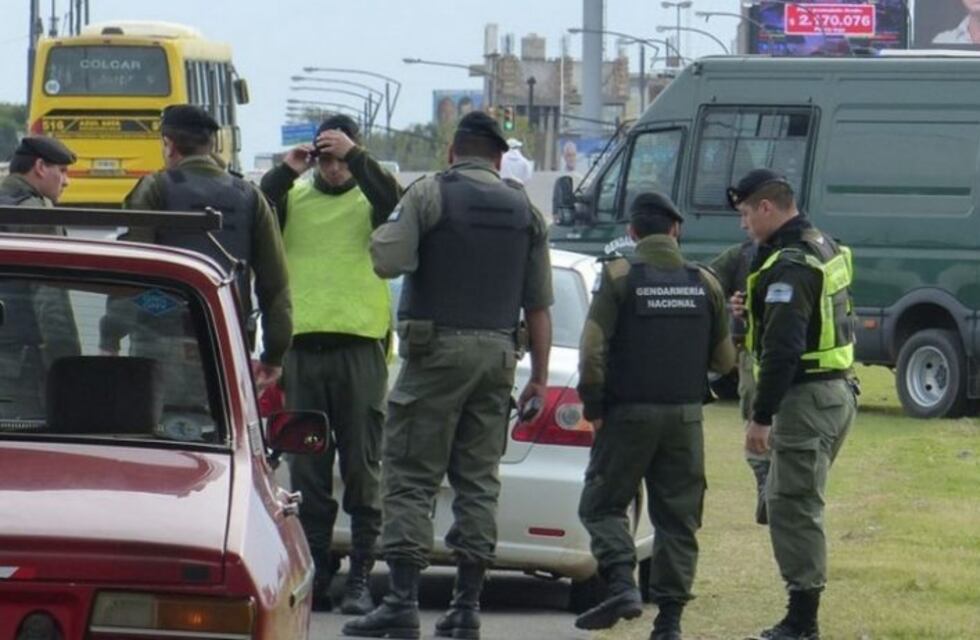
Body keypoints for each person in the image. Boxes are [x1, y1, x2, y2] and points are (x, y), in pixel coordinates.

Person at [343, 111, 553, 640]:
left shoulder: (430, 193)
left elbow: (387, 260)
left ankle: (401, 600)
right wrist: (540, 379)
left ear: (452, 151)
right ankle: (466, 606)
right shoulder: (524, 209)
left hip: (436, 354)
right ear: (500, 158)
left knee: (411, 476)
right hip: (499, 359)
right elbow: (540, 306)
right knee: (478, 481)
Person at [574, 192, 735, 640]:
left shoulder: (620, 276)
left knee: (602, 504)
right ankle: (669, 622)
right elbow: (725, 362)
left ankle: (623, 584)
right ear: (676, 231)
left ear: (632, 233)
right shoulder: (705, 282)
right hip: (685, 420)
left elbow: (591, 350)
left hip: (627, 415)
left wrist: (594, 405)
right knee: (677, 520)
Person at [259, 113, 402, 615]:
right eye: (328, 158)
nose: (336, 168)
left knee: (362, 466)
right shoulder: (295, 198)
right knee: (309, 470)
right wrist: (287, 170)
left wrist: (359, 157)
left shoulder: (370, 199)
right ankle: (319, 567)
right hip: (304, 350)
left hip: (359, 349)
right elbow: (254, 214)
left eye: (343, 158)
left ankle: (362, 573)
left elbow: (399, 205)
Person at [729, 169, 857, 640]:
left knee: (793, 503)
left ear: (766, 207)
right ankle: (801, 607)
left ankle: (803, 621)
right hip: (834, 392)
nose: (742, 224)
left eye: (745, 214)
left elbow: (785, 348)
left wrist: (762, 418)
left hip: (806, 397)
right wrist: (753, 308)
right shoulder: (823, 244)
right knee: (782, 491)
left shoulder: (791, 263)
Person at [100, 105, 291, 396]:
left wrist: (111, 335)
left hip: (160, 336)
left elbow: (132, 271)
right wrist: (274, 355)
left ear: (168, 144)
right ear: (211, 145)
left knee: (154, 428)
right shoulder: (250, 196)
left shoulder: (154, 188)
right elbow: (275, 283)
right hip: (227, 339)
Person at [0, 136, 81, 419]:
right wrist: (69, 366)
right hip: (16, 368)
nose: (67, 181)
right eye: (63, 171)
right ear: (40, 167)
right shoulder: (36, 215)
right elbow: (51, 302)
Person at [710, 240, 769, 525]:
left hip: (793, 358)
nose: (744, 222)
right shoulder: (741, 254)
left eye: (748, 213)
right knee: (754, 422)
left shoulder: (798, 253)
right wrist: (732, 307)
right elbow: (707, 283)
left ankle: (775, 489)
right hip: (752, 356)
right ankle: (765, 486)